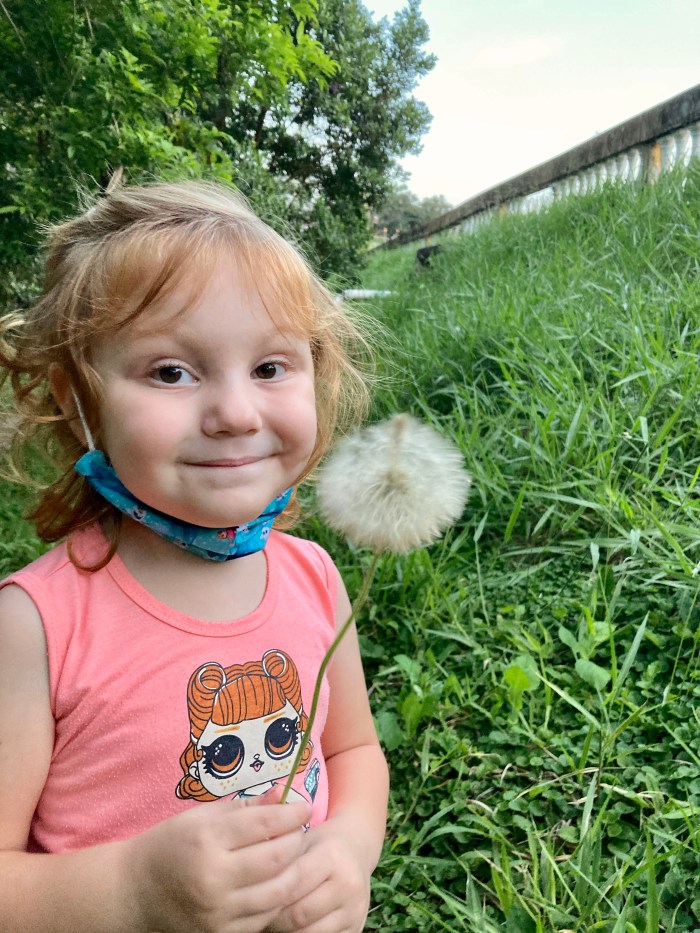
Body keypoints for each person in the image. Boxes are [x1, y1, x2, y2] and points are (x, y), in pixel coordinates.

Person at [0, 179, 389, 933]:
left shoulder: (314, 577)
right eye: (171, 372)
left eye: (270, 368)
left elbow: (354, 751)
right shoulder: (35, 626)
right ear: (79, 403)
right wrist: (133, 892)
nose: (236, 414)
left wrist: (349, 845)